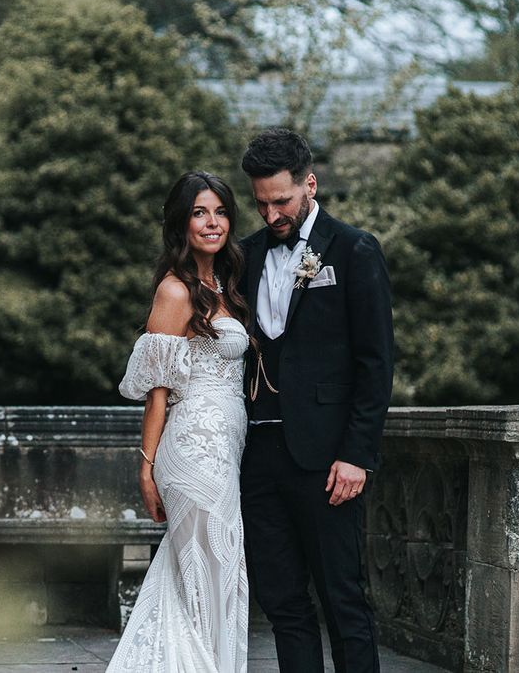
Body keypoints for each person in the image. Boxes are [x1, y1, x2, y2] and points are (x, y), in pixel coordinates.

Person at [239, 128, 394, 673]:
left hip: (328, 458)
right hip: (258, 456)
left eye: (280, 200)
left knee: (343, 600)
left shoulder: (353, 249)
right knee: (283, 603)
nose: (270, 214)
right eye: (260, 204)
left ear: (309, 183)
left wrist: (358, 454)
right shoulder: (247, 256)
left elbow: (375, 364)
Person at [107, 171, 250, 672]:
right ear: (180, 223)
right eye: (199, 212)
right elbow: (158, 391)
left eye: (220, 211)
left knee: (210, 573)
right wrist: (146, 469)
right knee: (205, 573)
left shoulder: (226, 284)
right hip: (193, 449)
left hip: (227, 448)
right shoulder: (175, 292)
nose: (212, 222)